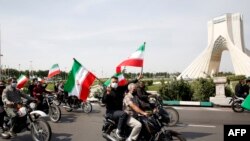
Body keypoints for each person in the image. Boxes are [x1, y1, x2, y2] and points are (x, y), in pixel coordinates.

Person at [102, 74, 142, 139]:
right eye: (113, 82)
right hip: (111, 112)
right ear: (110, 83)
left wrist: (137, 79)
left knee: (132, 118)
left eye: (116, 82)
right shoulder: (108, 90)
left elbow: (128, 84)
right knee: (123, 114)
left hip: (119, 111)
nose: (115, 83)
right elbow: (103, 101)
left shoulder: (120, 89)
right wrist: (107, 93)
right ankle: (118, 131)